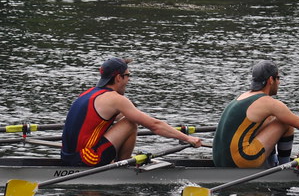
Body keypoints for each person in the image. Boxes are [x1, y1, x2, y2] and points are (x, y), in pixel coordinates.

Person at [60, 57, 202, 166]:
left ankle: (116, 161)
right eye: (128, 75)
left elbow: (120, 117)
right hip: (87, 159)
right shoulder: (115, 99)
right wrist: (188, 139)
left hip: (67, 156)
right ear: (118, 78)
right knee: (131, 122)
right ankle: (123, 165)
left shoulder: (89, 93)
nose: (129, 80)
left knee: (129, 117)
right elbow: (155, 125)